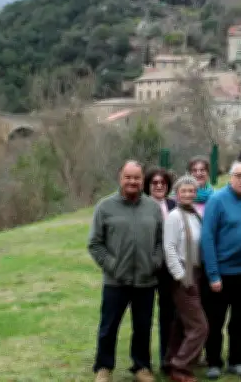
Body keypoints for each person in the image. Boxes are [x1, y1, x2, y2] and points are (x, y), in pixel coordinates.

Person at [88, 161, 164, 382]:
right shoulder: (105, 207)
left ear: (143, 180)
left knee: (143, 327)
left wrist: (154, 262)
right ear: (120, 178)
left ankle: (141, 367)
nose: (132, 182)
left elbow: (160, 241)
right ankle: (104, 367)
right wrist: (112, 266)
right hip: (115, 281)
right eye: (128, 177)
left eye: (137, 178)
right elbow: (95, 244)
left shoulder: (152, 207)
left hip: (145, 281)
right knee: (108, 327)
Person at [200, 162, 241, 380]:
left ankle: (237, 360)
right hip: (221, 273)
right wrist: (213, 274)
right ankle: (213, 361)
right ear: (230, 177)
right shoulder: (217, 200)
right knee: (215, 320)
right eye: (239, 175)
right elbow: (207, 237)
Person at [163, 175, 209, 382]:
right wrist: (181, 277)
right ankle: (180, 366)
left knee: (182, 324)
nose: (189, 194)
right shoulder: (174, 216)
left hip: (197, 273)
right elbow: (170, 249)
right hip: (183, 274)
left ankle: (170, 360)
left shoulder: (195, 215)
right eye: (184, 191)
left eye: (192, 191)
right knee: (199, 326)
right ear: (177, 194)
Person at [144, 167, 177, 374]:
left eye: (162, 183)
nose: (158, 186)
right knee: (144, 316)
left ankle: (168, 359)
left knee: (169, 316)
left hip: (169, 269)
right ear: (148, 186)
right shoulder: (142, 206)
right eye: (154, 182)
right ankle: (142, 364)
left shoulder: (173, 205)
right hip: (147, 267)